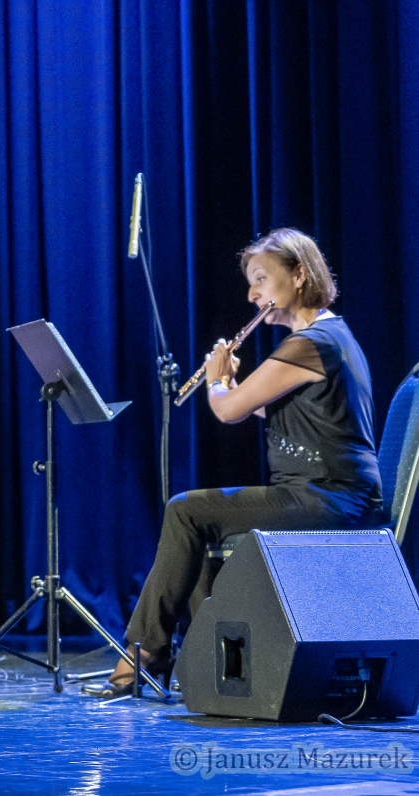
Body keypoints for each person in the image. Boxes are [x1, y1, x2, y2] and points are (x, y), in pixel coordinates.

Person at [83, 228, 382, 698]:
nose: (252, 293)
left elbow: (227, 411)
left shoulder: (311, 342)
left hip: (331, 496)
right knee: (202, 523)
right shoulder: (326, 337)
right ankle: (214, 664)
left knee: (186, 510)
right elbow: (276, 408)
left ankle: (144, 655)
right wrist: (237, 389)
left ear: (299, 275)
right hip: (330, 491)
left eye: (262, 278)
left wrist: (219, 384)